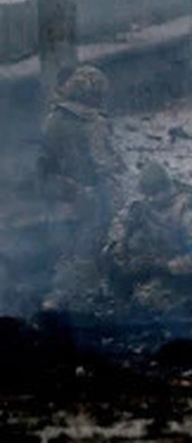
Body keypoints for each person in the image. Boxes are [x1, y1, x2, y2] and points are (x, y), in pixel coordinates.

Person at [37, 64, 127, 308]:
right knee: (88, 250)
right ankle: (74, 302)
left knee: (64, 250)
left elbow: (44, 163)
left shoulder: (52, 118)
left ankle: (57, 297)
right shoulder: (94, 122)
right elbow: (105, 165)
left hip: (60, 196)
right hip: (90, 196)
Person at [101, 162, 192, 317]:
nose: (150, 199)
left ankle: (185, 303)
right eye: (147, 194)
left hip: (182, 276)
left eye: (155, 193)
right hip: (150, 267)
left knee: (147, 302)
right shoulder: (142, 207)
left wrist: (162, 265)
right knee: (108, 257)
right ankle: (122, 300)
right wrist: (120, 250)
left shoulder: (189, 214)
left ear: (168, 187)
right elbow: (119, 225)